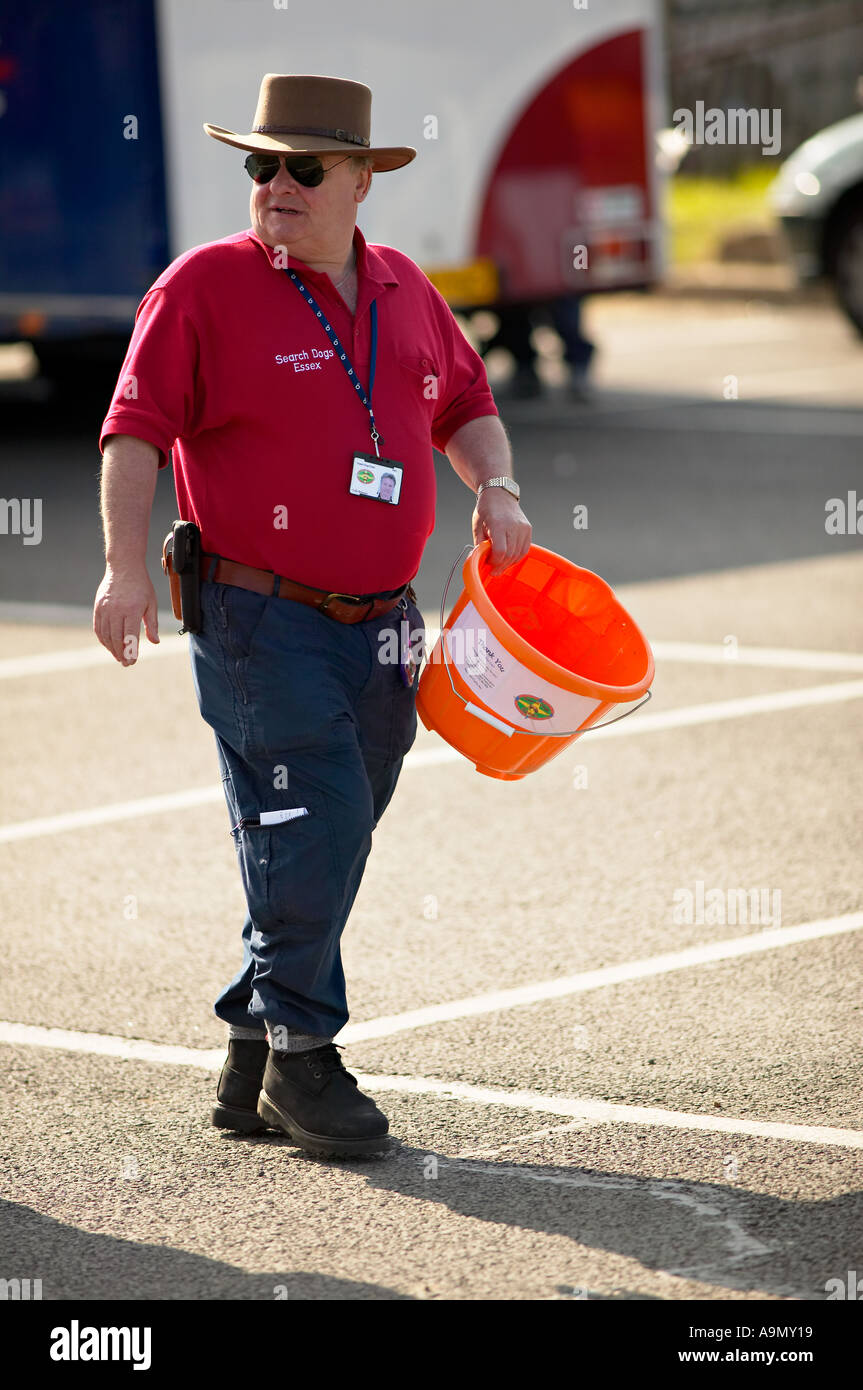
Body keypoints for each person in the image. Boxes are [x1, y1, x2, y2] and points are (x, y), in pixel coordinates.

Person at [93, 74, 531, 1158]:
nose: (274, 185)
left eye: (301, 167)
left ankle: (253, 1036)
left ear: (358, 181)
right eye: (258, 165)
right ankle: (302, 1055)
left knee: (332, 830)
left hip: (383, 626)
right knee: (316, 813)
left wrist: (497, 486)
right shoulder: (202, 287)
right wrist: (120, 571)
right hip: (257, 616)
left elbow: (466, 402)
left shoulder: (401, 287)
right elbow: (133, 430)